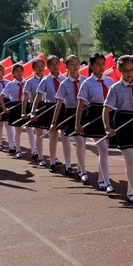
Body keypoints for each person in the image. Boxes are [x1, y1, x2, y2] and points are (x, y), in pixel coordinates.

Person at [103, 55, 133, 209]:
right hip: (122, 122)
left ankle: (131, 192)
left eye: (132, 70)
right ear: (120, 70)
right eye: (126, 70)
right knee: (130, 160)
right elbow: (106, 109)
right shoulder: (115, 88)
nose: (129, 73)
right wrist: (108, 128)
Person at [76, 52, 114, 192]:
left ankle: (100, 179)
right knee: (103, 149)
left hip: (108, 116)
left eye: (103, 64)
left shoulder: (110, 81)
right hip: (94, 116)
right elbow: (81, 104)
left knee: (104, 150)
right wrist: (78, 123)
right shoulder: (87, 83)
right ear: (91, 66)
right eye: (98, 64)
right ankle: (107, 181)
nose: (101, 67)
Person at [51, 55, 89, 183]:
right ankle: (77, 169)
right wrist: (54, 122)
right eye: (71, 64)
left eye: (77, 63)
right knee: (79, 141)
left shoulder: (85, 81)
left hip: (84, 112)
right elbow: (59, 103)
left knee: (83, 142)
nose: (75, 66)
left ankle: (80, 168)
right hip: (71, 112)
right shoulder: (64, 84)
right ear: (66, 66)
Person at [31, 55, 67, 172]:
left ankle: (68, 165)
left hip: (64, 108)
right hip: (51, 107)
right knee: (53, 137)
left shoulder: (64, 79)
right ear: (48, 66)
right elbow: (38, 96)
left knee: (66, 137)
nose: (55, 66)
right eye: (52, 64)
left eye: (57, 63)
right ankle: (52, 162)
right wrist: (32, 112)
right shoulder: (45, 80)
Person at [0, 64, 28, 158]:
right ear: (13, 74)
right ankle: (18, 150)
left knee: (30, 129)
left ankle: (34, 151)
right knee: (18, 130)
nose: (19, 73)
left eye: (20, 71)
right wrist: (4, 108)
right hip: (15, 106)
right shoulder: (10, 84)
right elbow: (1, 96)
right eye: (16, 71)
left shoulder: (27, 83)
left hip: (26, 106)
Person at [22, 58, 45, 162]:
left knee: (51, 134)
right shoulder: (29, 82)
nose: (40, 68)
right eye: (37, 66)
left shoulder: (49, 79)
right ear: (33, 68)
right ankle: (40, 157)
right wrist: (23, 112)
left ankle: (54, 158)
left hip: (48, 106)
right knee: (39, 133)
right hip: (36, 107)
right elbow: (25, 98)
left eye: (42, 66)